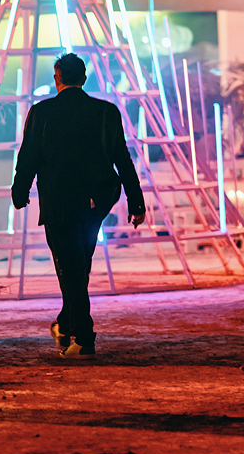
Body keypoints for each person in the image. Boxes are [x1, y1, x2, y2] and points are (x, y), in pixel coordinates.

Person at [11, 53, 146, 359]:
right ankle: (64, 323)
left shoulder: (42, 112)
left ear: (57, 78)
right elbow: (122, 160)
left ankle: (83, 337)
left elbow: (28, 156)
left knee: (71, 268)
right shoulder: (106, 112)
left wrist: (20, 192)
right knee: (78, 266)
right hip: (96, 201)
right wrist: (135, 201)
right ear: (84, 79)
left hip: (59, 201)